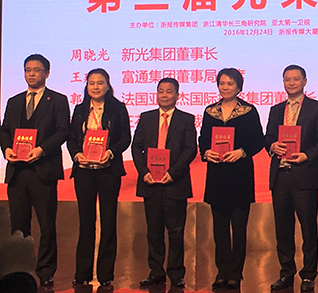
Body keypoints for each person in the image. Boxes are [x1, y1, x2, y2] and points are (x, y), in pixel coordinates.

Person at [0, 54, 70, 287]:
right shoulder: (14, 101)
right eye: (28, 70)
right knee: (18, 226)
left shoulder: (58, 100)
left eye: (36, 70)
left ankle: (46, 271)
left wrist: (41, 150)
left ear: (47, 73)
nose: (31, 74)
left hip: (43, 171)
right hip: (17, 172)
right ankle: (20, 269)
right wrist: (7, 148)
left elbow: (63, 131)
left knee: (47, 225)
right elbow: (4, 130)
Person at [199, 68, 264, 290]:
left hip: (240, 176)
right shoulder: (210, 111)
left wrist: (242, 152)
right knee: (219, 229)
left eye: (230, 83)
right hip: (217, 176)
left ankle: (236, 273)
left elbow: (258, 140)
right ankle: (222, 271)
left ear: (239, 87)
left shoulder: (248, 111)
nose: (225, 87)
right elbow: (203, 138)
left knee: (238, 228)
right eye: (222, 83)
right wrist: (206, 152)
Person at [265, 65, 318, 292]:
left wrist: (307, 156)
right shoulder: (275, 110)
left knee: (308, 229)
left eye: (295, 79)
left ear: (304, 82)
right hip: (280, 176)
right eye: (287, 79)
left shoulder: (317, 108)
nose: (291, 83)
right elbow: (268, 137)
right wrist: (272, 145)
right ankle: (286, 273)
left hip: (304, 175)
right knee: (283, 230)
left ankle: (308, 275)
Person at [67, 68, 131, 287]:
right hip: (84, 171)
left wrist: (110, 152)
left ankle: (105, 275)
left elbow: (125, 137)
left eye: (100, 83)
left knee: (108, 221)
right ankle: (82, 273)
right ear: (87, 86)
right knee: (85, 222)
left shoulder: (118, 108)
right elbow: (71, 138)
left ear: (108, 85)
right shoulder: (80, 109)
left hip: (108, 171)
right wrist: (76, 155)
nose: (95, 87)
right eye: (92, 83)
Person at [132, 78, 197, 289]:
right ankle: (156, 272)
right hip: (150, 183)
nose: (165, 95)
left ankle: (176, 273)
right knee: (154, 231)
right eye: (161, 91)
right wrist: (144, 172)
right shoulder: (146, 117)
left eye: (169, 91)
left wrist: (172, 172)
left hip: (175, 184)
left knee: (176, 232)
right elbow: (136, 147)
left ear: (177, 95)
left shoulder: (186, 119)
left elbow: (190, 149)